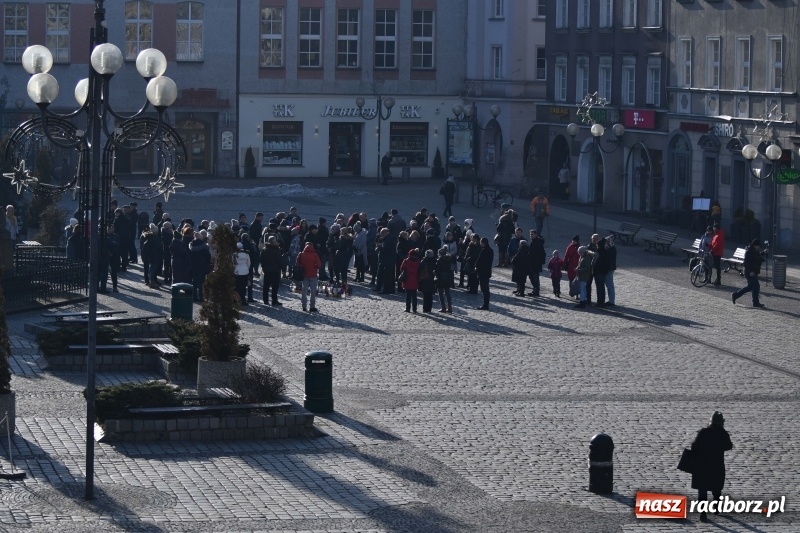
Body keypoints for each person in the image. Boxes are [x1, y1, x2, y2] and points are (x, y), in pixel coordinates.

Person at [691, 411, 733, 522]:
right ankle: (716, 507)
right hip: (717, 465)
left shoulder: (703, 432)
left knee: (702, 489)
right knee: (717, 488)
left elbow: (694, 446)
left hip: (702, 465)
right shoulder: (723, 433)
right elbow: (729, 446)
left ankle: (703, 512)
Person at [732, 239, 766, 308]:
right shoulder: (749, 252)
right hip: (750, 272)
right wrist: (750, 271)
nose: (759, 247)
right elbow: (746, 263)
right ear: (755, 245)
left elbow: (757, 257)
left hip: (753, 271)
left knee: (753, 286)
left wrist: (763, 253)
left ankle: (754, 302)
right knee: (753, 286)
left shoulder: (754, 251)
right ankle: (754, 302)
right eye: (758, 246)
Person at [297, 241, 321, 312]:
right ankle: (312, 306)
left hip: (304, 275)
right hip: (313, 275)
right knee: (313, 291)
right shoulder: (315, 255)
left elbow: (297, 263)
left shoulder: (301, 254)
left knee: (304, 291)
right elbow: (319, 265)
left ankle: (304, 306)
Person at [259, 235, 283, 306]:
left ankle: (265, 300)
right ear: (274, 242)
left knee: (266, 286)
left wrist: (263, 268)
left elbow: (262, 260)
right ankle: (274, 300)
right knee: (275, 287)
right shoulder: (276, 250)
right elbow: (279, 261)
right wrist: (282, 268)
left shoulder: (265, 249)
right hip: (275, 270)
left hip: (267, 270)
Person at [188, 231, 211, 301]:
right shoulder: (204, 246)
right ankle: (201, 297)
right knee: (201, 282)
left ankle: (194, 296)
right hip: (202, 266)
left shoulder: (191, 245)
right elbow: (208, 257)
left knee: (194, 282)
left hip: (193, 266)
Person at [399, 249, 421, 313]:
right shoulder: (418, 262)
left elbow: (401, 269)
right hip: (415, 279)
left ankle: (408, 308)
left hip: (407, 279)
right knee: (414, 296)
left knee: (408, 296)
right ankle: (414, 309)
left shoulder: (406, 261)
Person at [475, 237, 494, 310]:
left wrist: (477, 266)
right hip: (487, 271)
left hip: (483, 272)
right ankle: (486, 304)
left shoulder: (484, 250)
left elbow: (480, 261)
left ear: (482, 243)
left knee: (484, 289)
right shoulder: (490, 250)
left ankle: (485, 305)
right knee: (485, 288)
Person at [527, 229, 546, 297]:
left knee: (535, 278)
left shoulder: (538, 242)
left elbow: (542, 254)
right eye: (530, 234)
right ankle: (534, 289)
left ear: (536, 234)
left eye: (532, 234)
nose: (531, 236)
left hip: (536, 263)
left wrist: (540, 262)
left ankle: (536, 291)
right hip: (531, 263)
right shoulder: (532, 241)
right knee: (531, 277)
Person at [435, 246, 454, 313]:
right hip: (448, 278)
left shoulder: (439, 260)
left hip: (441, 278)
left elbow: (438, 270)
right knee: (447, 293)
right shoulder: (448, 259)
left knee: (441, 293)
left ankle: (443, 307)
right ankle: (450, 307)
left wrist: (435, 273)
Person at [233, 241, 251, 306]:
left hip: (237, 271)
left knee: (236, 286)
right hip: (245, 271)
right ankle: (243, 300)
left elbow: (233, 263)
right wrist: (246, 269)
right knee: (243, 287)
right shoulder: (246, 254)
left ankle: (235, 300)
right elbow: (249, 264)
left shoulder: (234, 255)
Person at [605, 234, 617, 306]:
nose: (605, 243)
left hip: (609, 268)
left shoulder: (610, 249)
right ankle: (611, 300)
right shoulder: (612, 248)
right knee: (609, 284)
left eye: (606, 241)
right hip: (610, 268)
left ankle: (611, 301)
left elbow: (609, 259)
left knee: (609, 284)